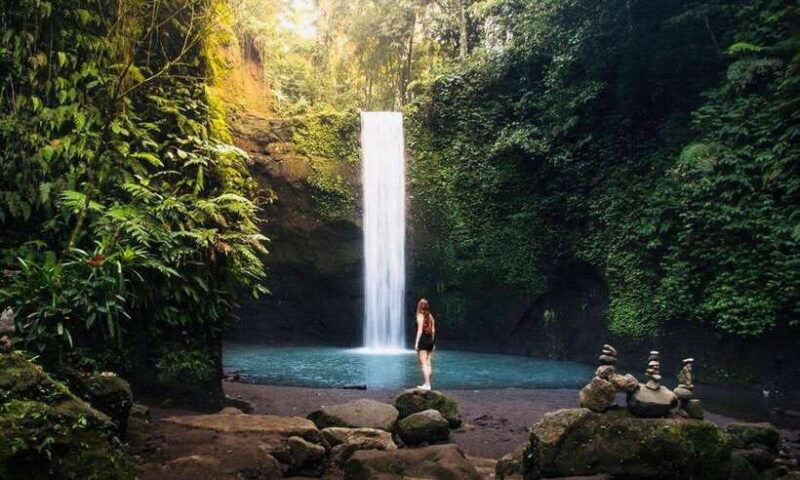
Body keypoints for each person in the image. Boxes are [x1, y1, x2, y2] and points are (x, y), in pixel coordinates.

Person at [414, 298, 436, 390]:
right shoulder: (430, 316)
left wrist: (416, 343)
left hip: (423, 340)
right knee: (428, 363)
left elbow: (419, 330)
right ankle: (427, 383)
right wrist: (433, 342)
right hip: (430, 340)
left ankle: (427, 384)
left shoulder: (420, 315)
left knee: (423, 364)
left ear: (419, 305)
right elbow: (433, 330)